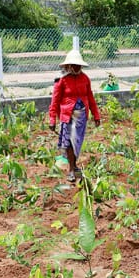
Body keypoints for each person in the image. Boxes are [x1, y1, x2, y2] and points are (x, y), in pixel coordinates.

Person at [48, 48, 101, 183]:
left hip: (81, 117)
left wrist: (96, 115)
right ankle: (71, 169)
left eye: (79, 66)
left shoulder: (85, 79)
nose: (77, 68)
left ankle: (74, 164)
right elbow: (54, 101)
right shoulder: (62, 81)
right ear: (69, 66)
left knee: (77, 142)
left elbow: (90, 97)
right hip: (67, 116)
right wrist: (52, 119)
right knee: (69, 141)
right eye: (74, 65)